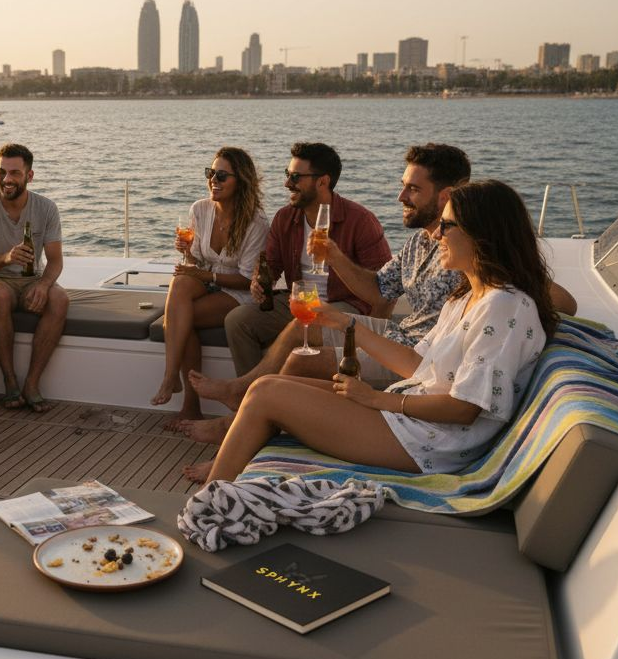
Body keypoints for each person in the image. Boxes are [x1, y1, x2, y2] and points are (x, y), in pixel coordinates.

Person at [202, 179, 558, 484]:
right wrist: (345, 322)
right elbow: (418, 363)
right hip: (412, 419)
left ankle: (209, 503)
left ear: (482, 235)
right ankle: (228, 470)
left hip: (432, 442)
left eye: (447, 226)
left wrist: (376, 399)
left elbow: (465, 409)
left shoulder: (504, 306)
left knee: (266, 395)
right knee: (269, 385)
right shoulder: (466, 295)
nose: (436, 234)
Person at [182, 143, 476, 465]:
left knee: (300, 360)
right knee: (275, 326)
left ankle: (243, 423)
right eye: (402, 186)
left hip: (411, 350)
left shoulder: (468, 254)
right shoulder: (420, 241)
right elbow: (379, 286)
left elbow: (379, 303)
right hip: (397, 334)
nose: (401, 197)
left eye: (412, 189)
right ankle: (246, 406)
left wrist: (361, 345)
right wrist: (332, 255)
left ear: (445, 196)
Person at [223, 142, 392, 376]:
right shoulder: (285, 217)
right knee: (237, 321)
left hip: (345, 304)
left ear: (322, 181)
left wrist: (372, 341)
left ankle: (259, 395)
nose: (287, 183)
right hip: (301, 298)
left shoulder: (360, 221)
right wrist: (259, 282)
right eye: (287, 174)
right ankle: (253, 399)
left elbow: (385, 286)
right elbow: (271, 265)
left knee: (307, 323)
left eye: (295, 177)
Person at [151, 147, 270, 426]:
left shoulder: (256, 223)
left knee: (181, 319)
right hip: (207, 281)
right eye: (210, 173)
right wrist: (188, 253)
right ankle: (171, 379)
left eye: (221, 175)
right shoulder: (200, 209)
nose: (213, 180)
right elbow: (198, 262)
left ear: (240, 180)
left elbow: (246, 279)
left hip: (238, 292)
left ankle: (186, 401)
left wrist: (207, 278)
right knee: (180, 282)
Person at [0, 144, 69, 412]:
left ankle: (32, 384)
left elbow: (55, 260)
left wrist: (45, 285)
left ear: (29, 175)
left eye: (14, 173)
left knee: (59, 300)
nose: (6, 179)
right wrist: (6, 258)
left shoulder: (46, 208)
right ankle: (10, 381)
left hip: (31, 278)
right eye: (1, 172)